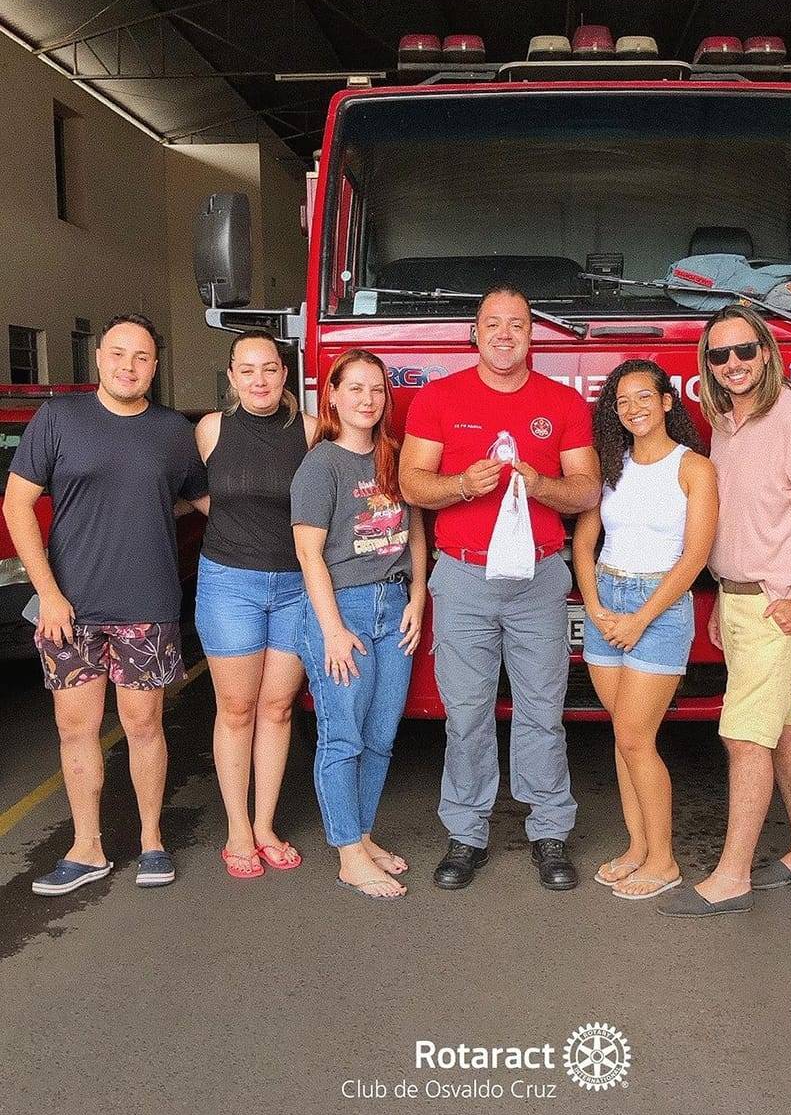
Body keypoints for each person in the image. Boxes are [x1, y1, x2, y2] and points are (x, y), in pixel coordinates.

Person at [659, 305, 791, 917]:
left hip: (781, 607)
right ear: (708, 366)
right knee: (783, 728)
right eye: (719, 356)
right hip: (745, 599)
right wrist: (726, 589)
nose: (733, 365)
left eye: (745, 351)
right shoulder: (727, 418)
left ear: (766, 353)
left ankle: (732, 876)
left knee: (743, 736)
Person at [399, 285, 600, 892]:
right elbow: (411, 483)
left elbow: (587, 490)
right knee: (466, 714)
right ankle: (467, 832)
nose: (505, 334)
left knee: (543, 710)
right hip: (462, 575)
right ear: (475, 334)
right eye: (494, 324)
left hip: (539, 576)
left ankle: (548, 831)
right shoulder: (440, 398)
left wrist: (539, 485)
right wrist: (461, 484)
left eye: (518, 323)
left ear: (531, 334)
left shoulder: (562, 403)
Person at [3, 314, 207, 895]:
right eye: (118, 353)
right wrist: (47, 593)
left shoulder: (172, 431)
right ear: (98, 358)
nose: (128, 365)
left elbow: (203, 500)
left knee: (144, 724)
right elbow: (18, 506)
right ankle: (86, 847)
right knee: (77, 729)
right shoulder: (60, 419)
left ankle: (151, 842)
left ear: (155, 366)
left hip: (147, 603)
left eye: (141, 357)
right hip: (70, 608)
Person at [573, 360, 718, 900]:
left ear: (666, 402)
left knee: (636, 737)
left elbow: (695, 556)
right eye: (621, 401)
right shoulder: (611, 465)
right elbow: (584, 544)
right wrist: (595, 605)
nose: (632, 409)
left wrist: (640, 618)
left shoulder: (694, 468)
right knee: (625, 737)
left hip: (659, 606)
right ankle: (638, 847)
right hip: (606, 600)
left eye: (642, 398)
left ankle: (665, 860)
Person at [292, 349, 426, 899]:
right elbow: (308, 554)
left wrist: (417, 597)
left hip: (394, 609)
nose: (367, 400)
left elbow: (416, 530)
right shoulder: (320, 464)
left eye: (376, 390)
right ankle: (348, 853)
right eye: (355, 389)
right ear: (333, 396)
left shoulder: (396, 456)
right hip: (342, 610)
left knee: (380, 734)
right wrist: (331, 630)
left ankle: (363, 836)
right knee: (342, 736)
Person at [194, 330, 316, 879]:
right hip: (229, 584)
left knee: (278, 709)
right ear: (231, 376)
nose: (259, 380)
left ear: (284, 374)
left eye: (269, 368)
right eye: (247, 370)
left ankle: (265, 825)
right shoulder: (211, 430)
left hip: (295, 585)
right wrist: (233, 526)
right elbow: (194, 491)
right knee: (237, 710)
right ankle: (237, 828)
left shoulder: (312, 432)